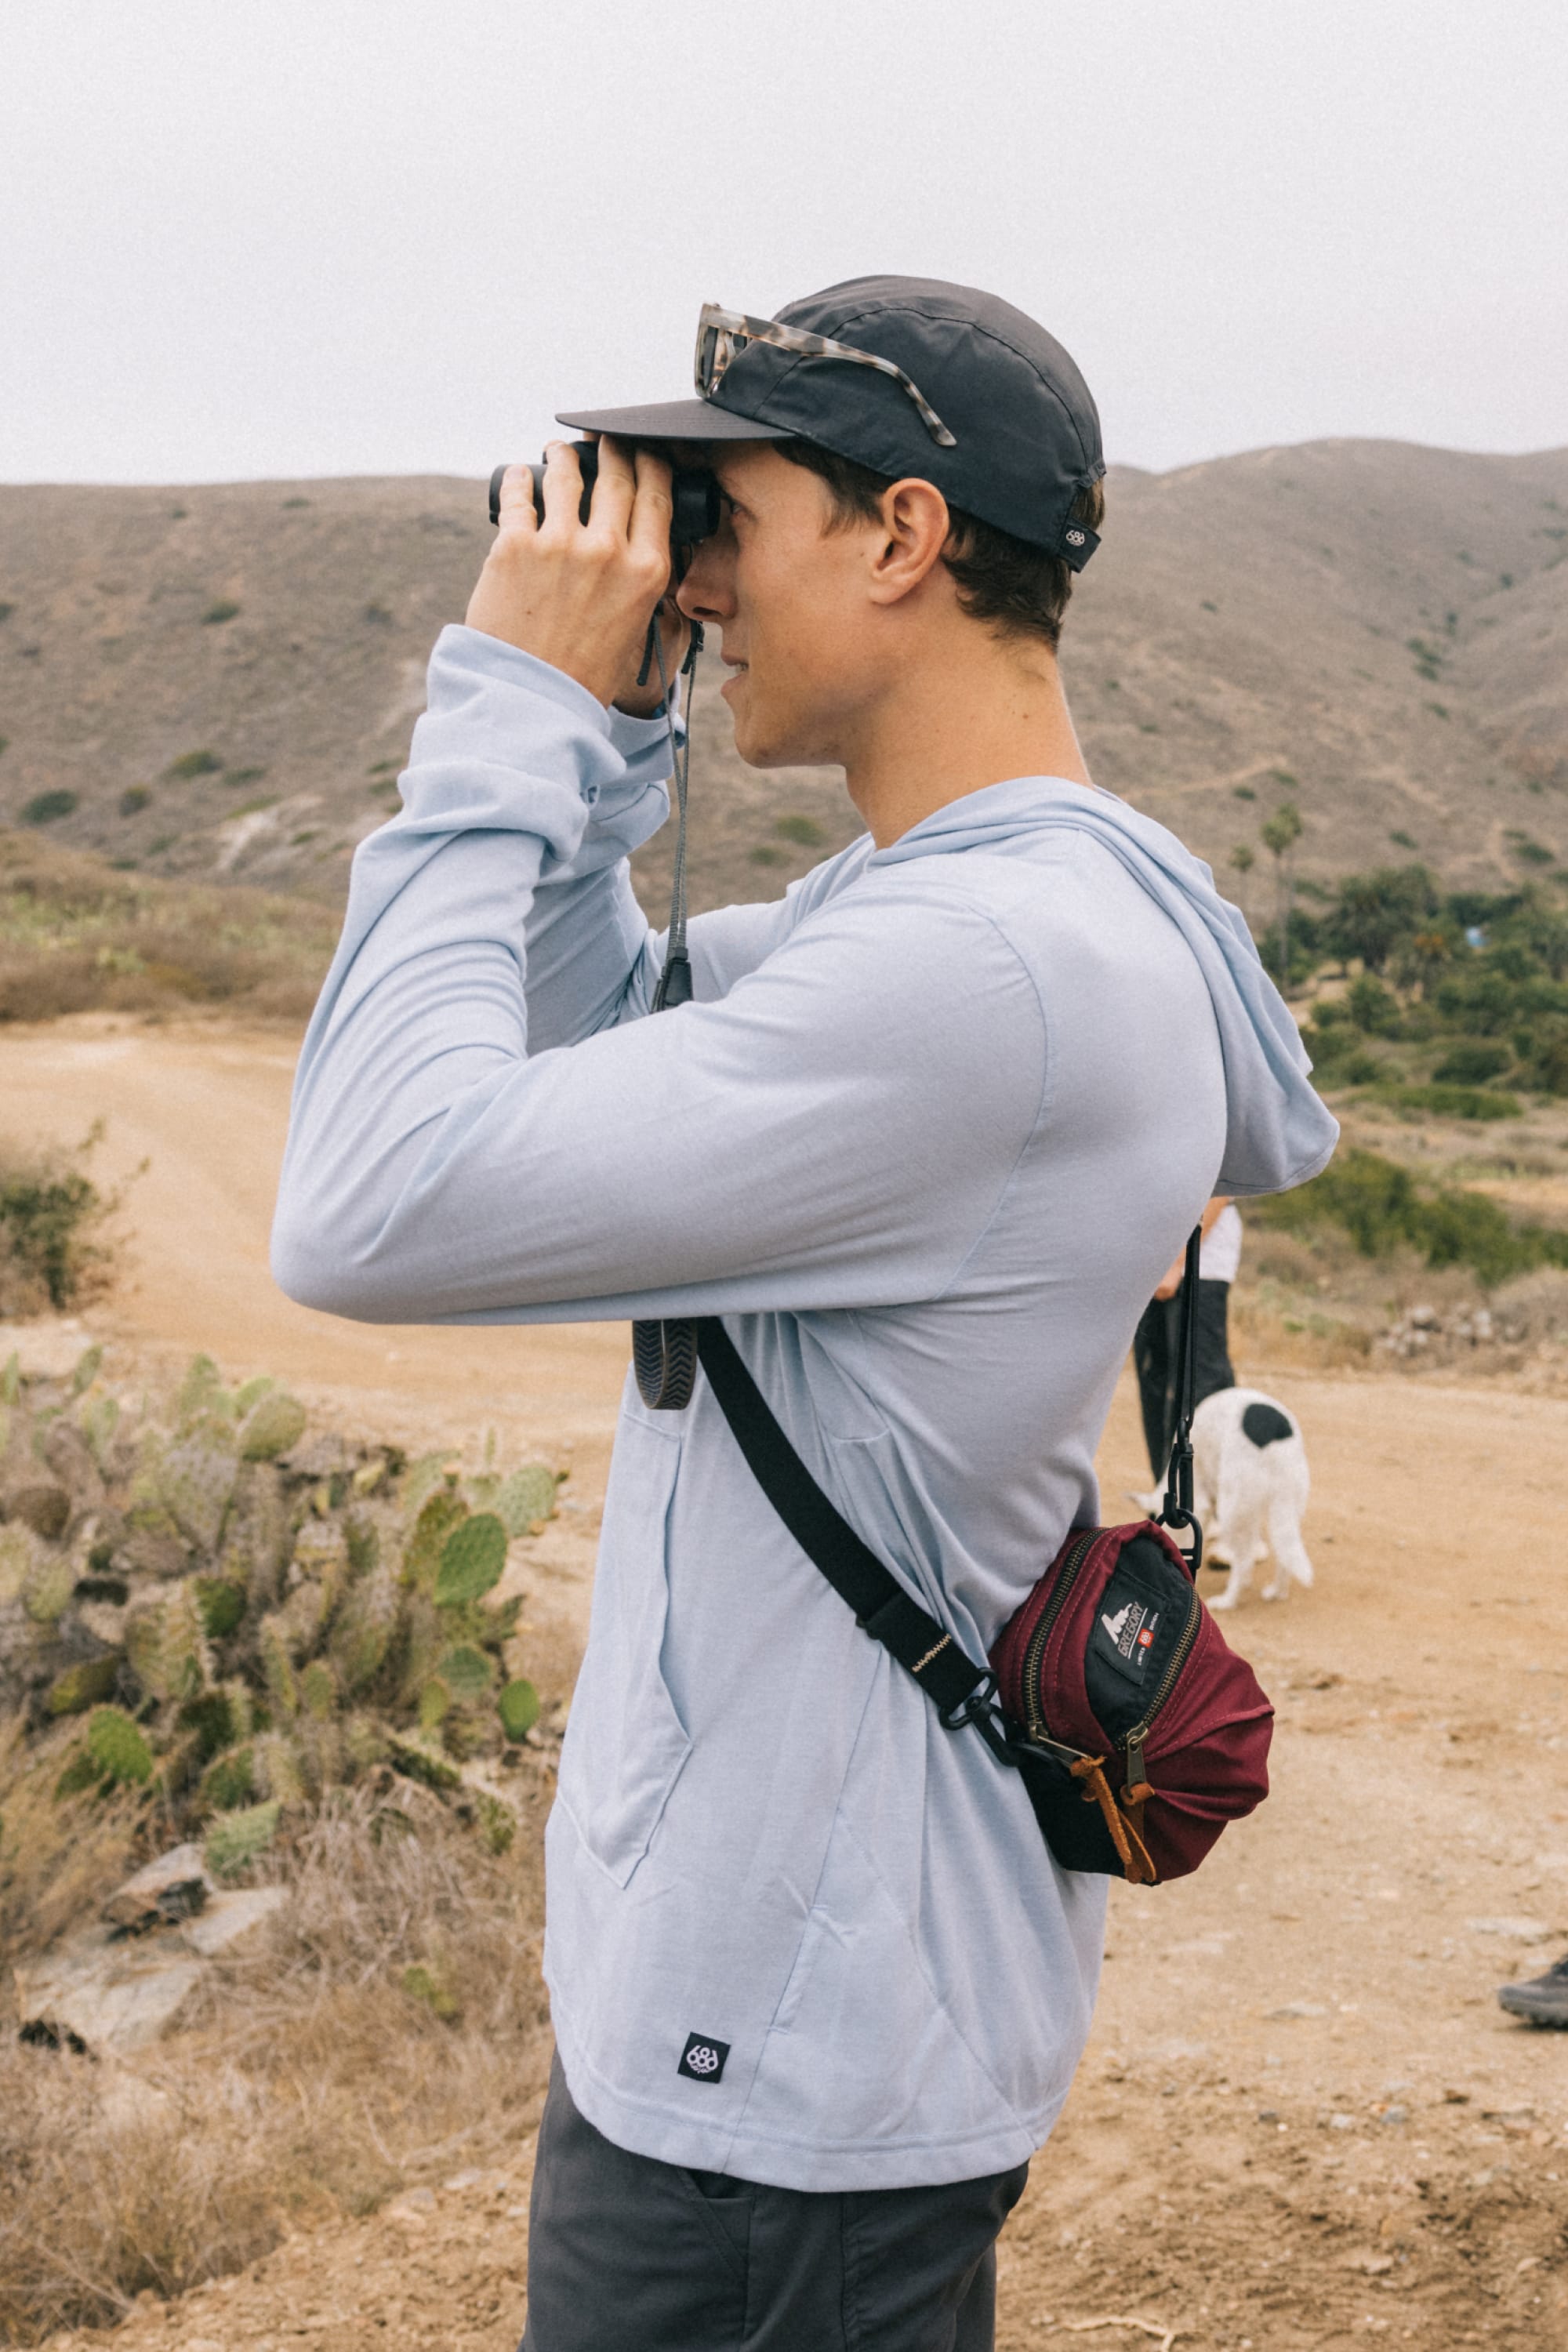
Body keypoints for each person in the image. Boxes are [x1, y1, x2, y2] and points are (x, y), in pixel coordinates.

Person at [270, 278, 1338, 2352]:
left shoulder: (986, 975)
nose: (706, 580)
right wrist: (606, 740)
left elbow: (367, 1208)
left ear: (906, 536)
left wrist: (504, 702)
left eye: (728, 516)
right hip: (785, 2021)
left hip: (778, 2087)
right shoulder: (952, 919)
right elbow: (567, 1055)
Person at [1132, 1194, 1242, 1485]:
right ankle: (1165, 1494)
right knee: (1153, 1378)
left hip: (1200, 1262)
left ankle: (1210, 1498)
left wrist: (1177, 1261)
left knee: (1200, 1384)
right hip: (1152, 1257)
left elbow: (1221, 1187)